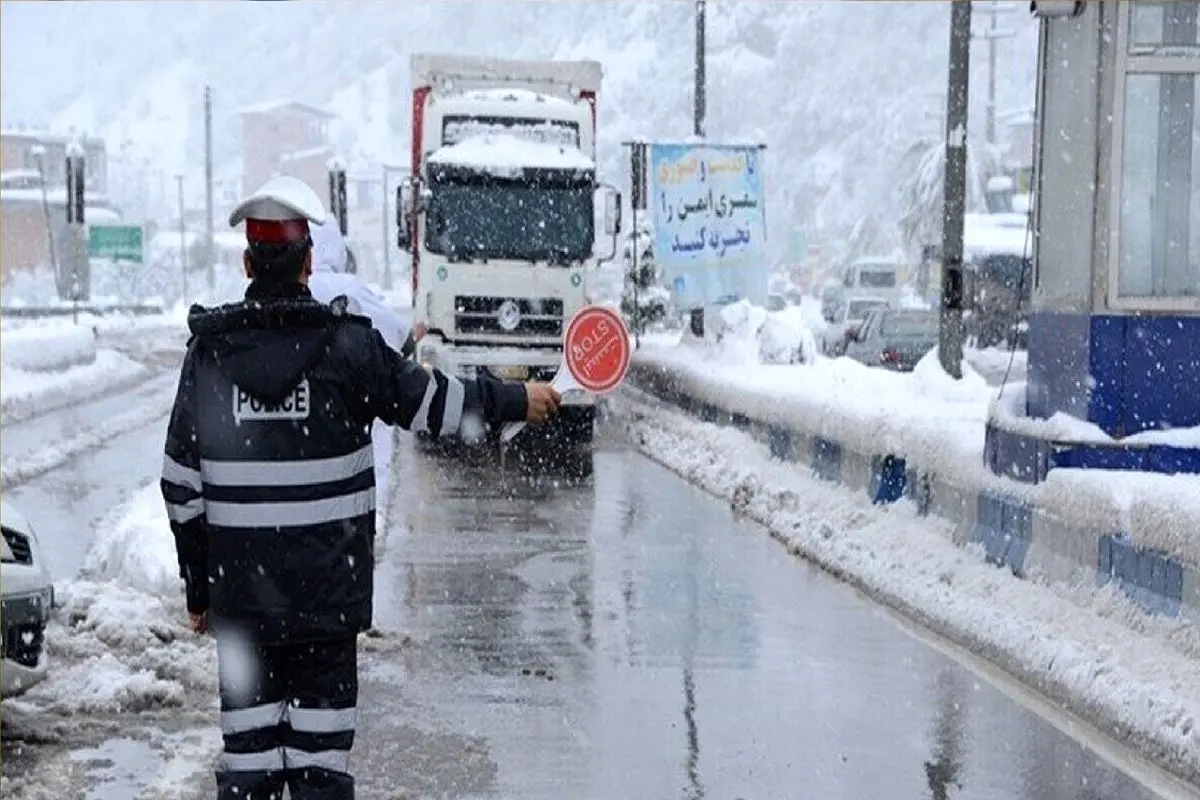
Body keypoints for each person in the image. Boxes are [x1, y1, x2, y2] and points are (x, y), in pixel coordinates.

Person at [159, 175, 561, 800]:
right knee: (322, 771)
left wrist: (199, 585)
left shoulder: (209, 356)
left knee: (250, 768)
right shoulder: (349, 350)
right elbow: (434, 404)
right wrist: (515, 398)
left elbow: (180, 483)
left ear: (247, 262)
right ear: (308, 263)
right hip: (325, 604)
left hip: (242, 607)